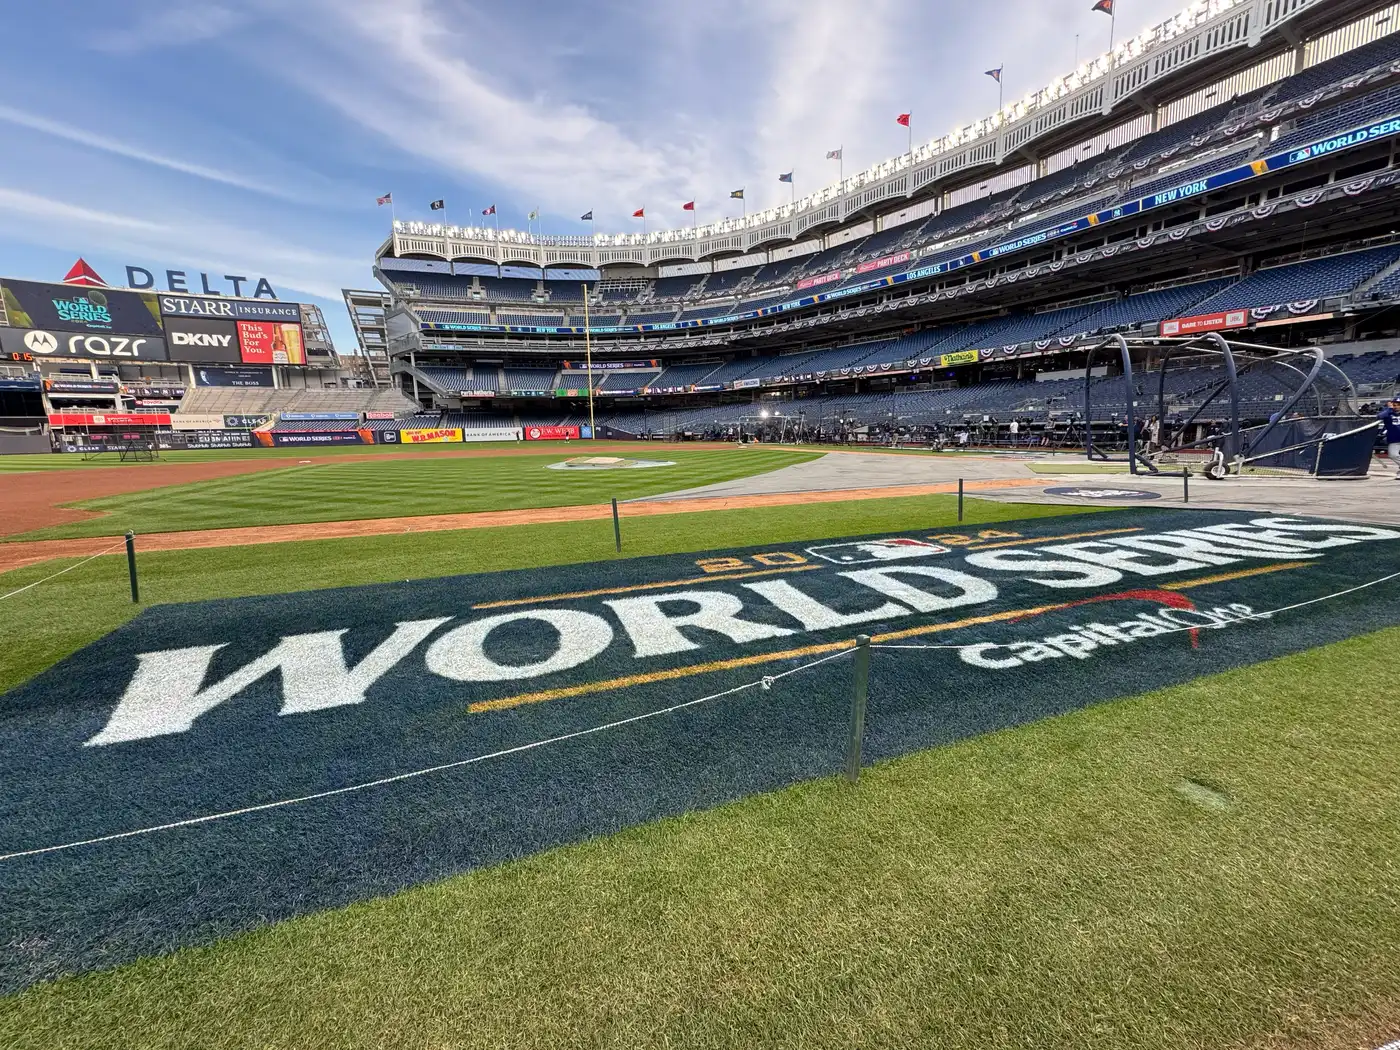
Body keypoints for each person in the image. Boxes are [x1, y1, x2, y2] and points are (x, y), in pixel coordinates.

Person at [1381, 395, 1400, 479]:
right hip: (1394, 439)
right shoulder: (1389, 413)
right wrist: (1389, 409)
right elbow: (1379, 416)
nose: (1396, 407)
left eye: (1398, 405)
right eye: (1395, 405)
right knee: (1393, 455)